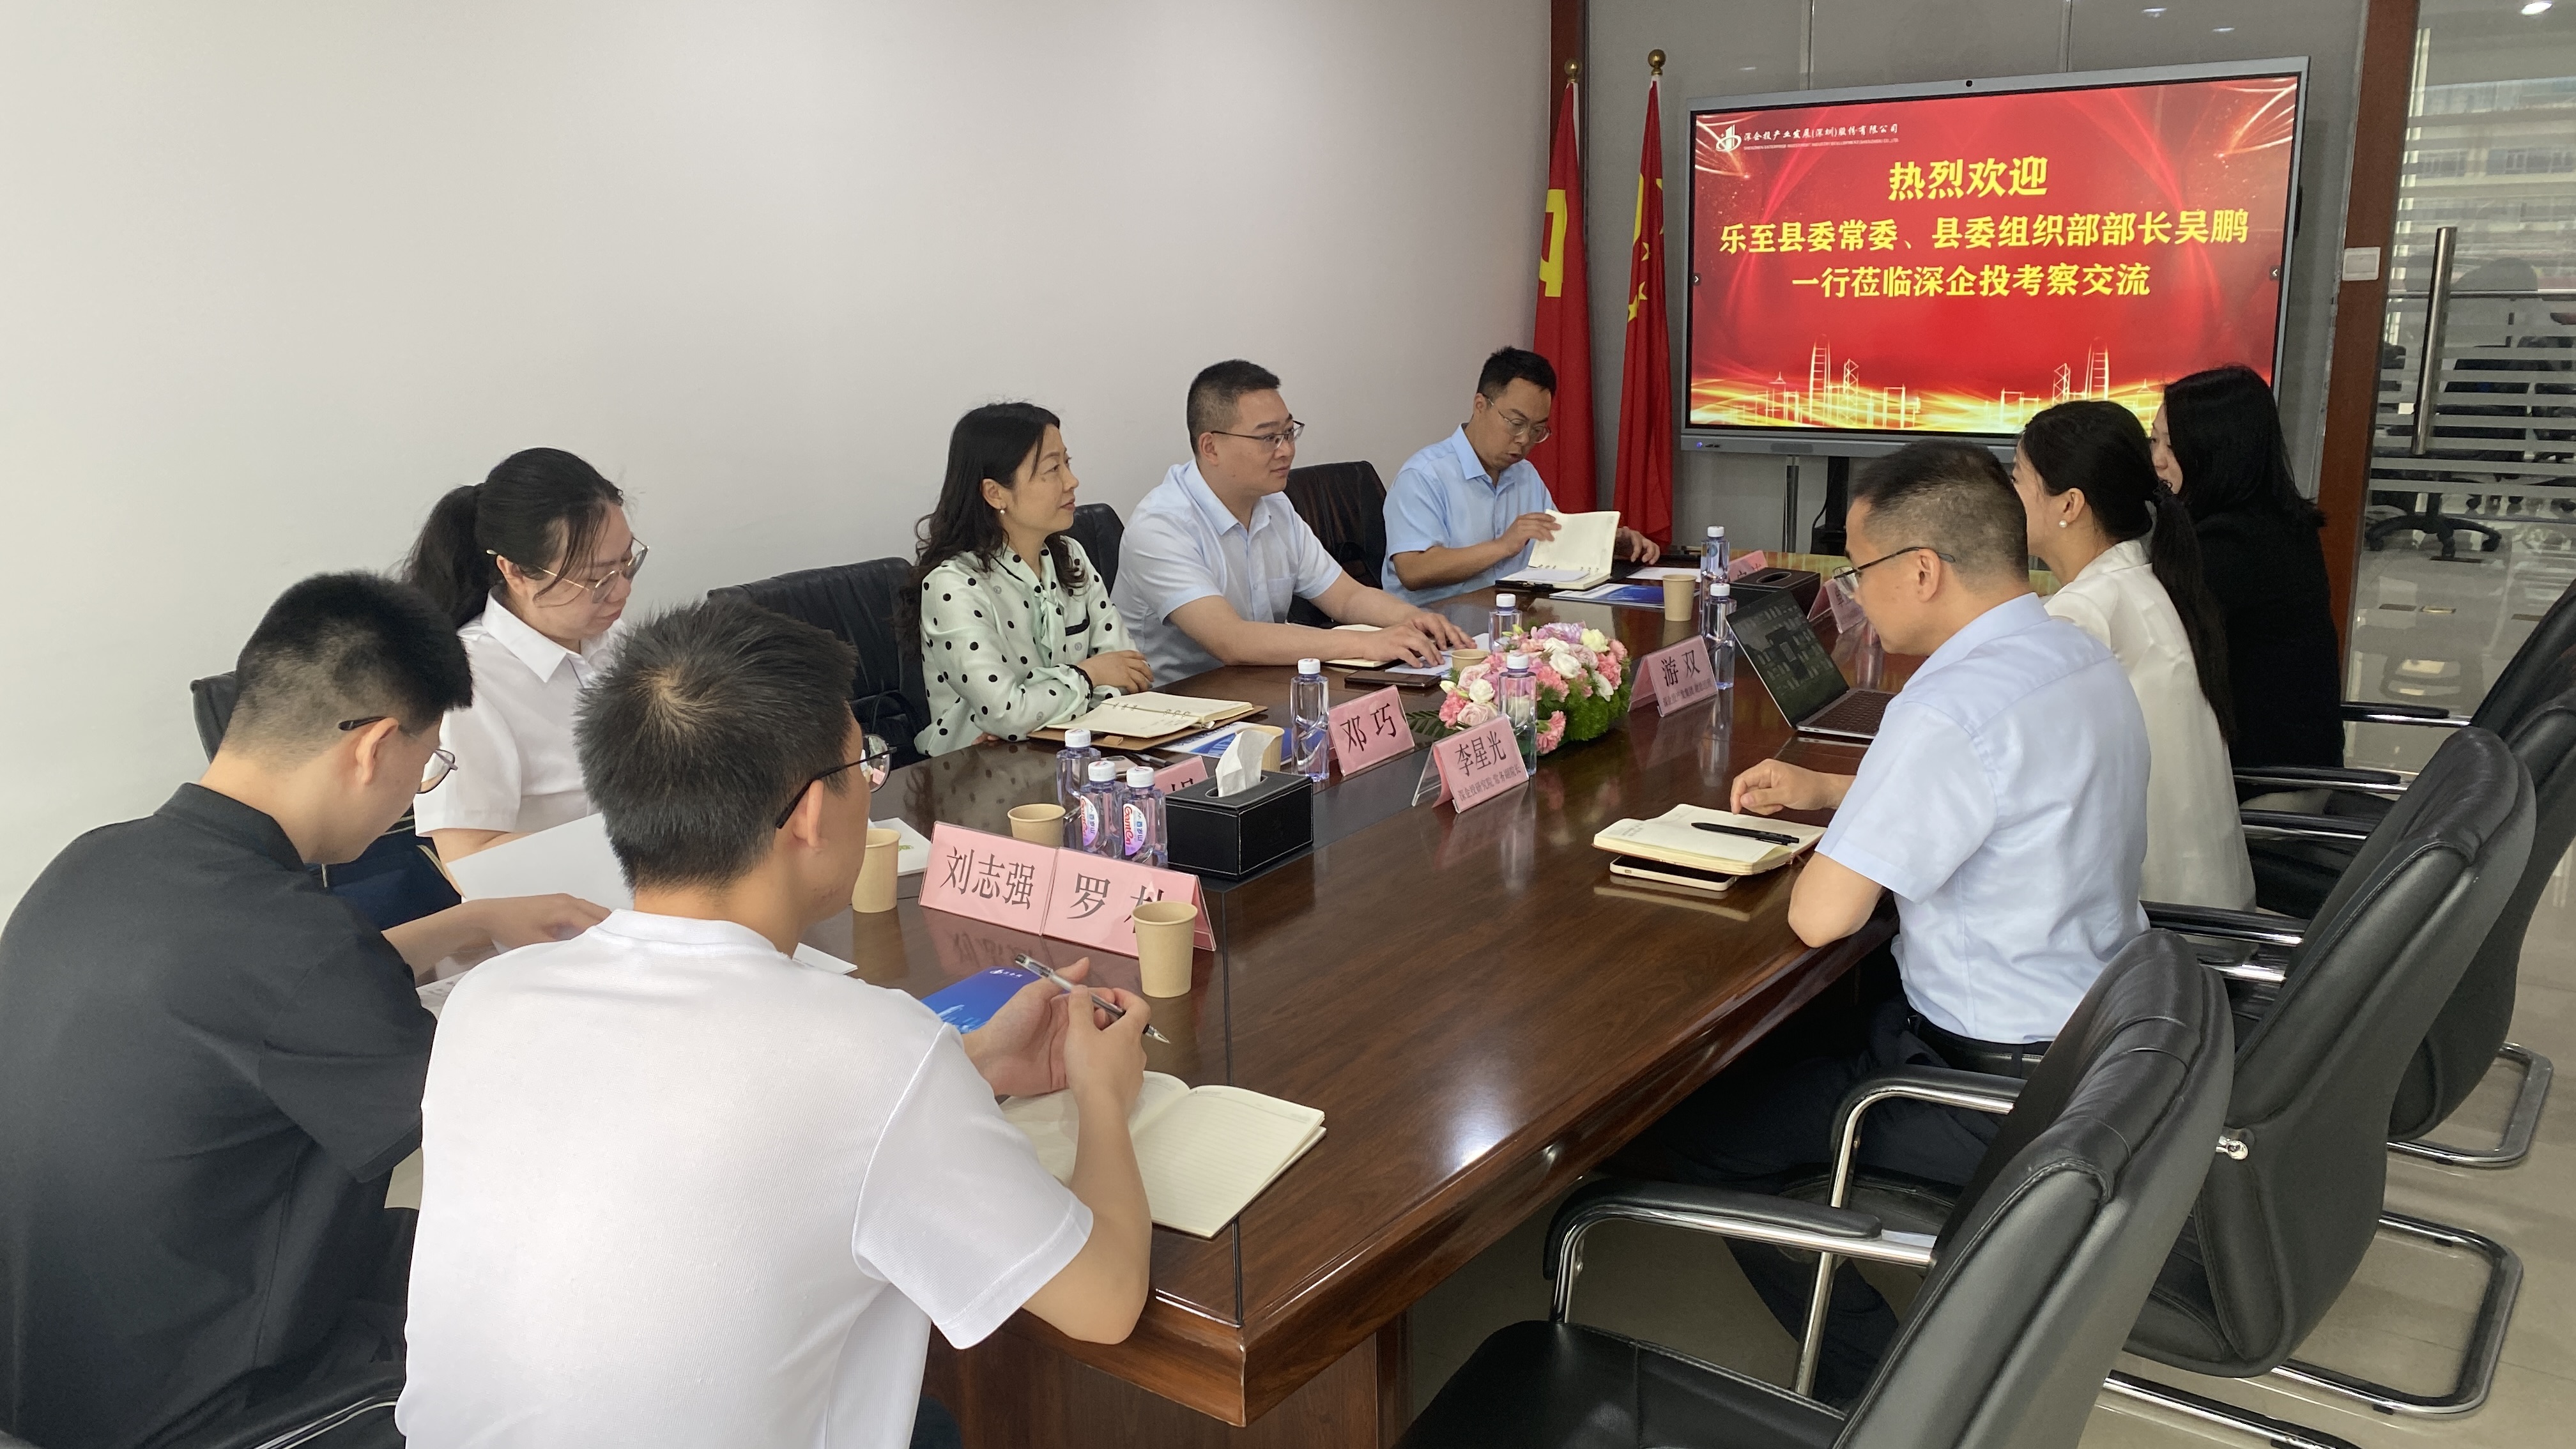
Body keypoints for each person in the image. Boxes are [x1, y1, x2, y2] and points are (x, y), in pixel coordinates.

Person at [397, 600, 1154, 1449]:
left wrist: (967, 1062)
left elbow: (723, 1129)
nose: (870, 786)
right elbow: (1105, 1302)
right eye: (863, 765)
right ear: (808, 814)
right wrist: (1101, 1095)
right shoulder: (872, 1051)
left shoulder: (489, 1001)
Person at [0, 574, 604, 1449]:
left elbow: (266, 997)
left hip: (59, 1356)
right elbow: (509, 1117)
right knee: (571, 1320)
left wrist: (472, 921)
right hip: (199, 1410)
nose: (415, 794)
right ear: (375, 749)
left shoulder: (94, 863)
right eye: (429, 767)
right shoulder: (298, 944)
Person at [1649, 442, 2149, 1406]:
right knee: (1808, 1038)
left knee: (1704, 1134)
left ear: (1922, 571)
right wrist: (1839, 793)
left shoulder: (1949, 705)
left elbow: (1821, 917)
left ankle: (1875, 1388)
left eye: (1860, 568)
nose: (1855, 592)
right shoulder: (2074, 653)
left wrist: (1837, 827)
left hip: (1988, 1093)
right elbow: (2006, 799)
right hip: (2097, 1044)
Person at [2014, 401, 2255, 908]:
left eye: (2017, 480)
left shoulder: (2084, 613)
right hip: (2208, 904)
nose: (2006, 499)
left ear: (2069, 505)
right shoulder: (2142, 580)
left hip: (2158, 925)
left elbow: (2015, 774)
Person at [1112, 359, 1475, 682]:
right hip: (1175, 708)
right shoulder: (1161, 525)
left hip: (1257, 687)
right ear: (1211, 447)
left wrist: (1412, 619)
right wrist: (1367, 643)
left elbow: (1346, 597)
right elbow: (1231, 640)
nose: (1286, 450)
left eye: (1288, 432)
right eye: (1268, 438)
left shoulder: (1275, 505)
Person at [404, 447, 646, 860]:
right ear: (514, 571)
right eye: (596, 578)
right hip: (568, 894)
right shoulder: (471, 684)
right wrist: (650, 845)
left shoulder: (614, 639)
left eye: (626, 564)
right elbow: (470, 856)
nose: (622, 590)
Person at [909, 402, 1151, 756]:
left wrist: (1032, 717)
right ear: (995, 493)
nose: (1072, 481)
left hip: (1071, 754)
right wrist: (1087, 675)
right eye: (1052, 469)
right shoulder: (953, 586)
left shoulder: (1071, 555)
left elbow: (1132, 674)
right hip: (976, 770)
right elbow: (1007, 714)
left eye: (1067, 463)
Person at [2153, 365, 2344, 769]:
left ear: (2215, 451)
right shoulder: (2275, 522)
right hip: (2278, 762)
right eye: (2154, 441)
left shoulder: (2232, 544)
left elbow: (2155, 643)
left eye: (2172, 446)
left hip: (2266, 780)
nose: (2157, 461)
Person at [1381, 346, 1657, 606]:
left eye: (1537, 430)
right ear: (1480, 405)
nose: (1525, 439)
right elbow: (1413, 570)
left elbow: (1555, 544)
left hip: (1512, 619)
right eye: (1516, 424)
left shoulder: (1525, 475)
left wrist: (1611, 542)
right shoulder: (1424, 475)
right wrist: (1502, 546)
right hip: (1435, 627)